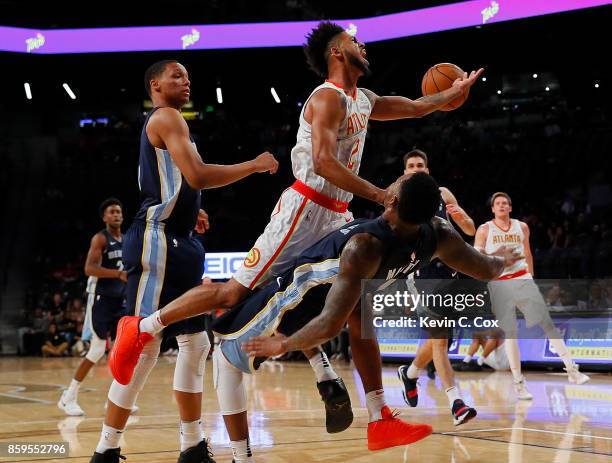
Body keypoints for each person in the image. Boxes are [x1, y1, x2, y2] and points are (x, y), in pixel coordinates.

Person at [112, 22, 484, 438]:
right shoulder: (327, 98)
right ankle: (144, 326)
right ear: (337, 53)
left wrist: (451, 95)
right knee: (233, 293)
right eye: (353, 41)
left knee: (358, 309)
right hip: (303, 210)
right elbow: (324, 162)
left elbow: (416, 106)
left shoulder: (365, 98)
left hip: (337, 213)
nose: (363, 45)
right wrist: (381, 196)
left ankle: (380, 418)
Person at [217, 172, 520, 460]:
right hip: (341, 292)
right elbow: (487, 269)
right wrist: (502, 260)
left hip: (293, 298)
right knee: (363, 316)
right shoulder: (438, 235)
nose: (392, 182)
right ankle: (377, 416)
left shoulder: (365, 246)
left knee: (225, 360)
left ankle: (240, 458)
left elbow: (328, 323)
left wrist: (283, 346)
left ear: (392, 201)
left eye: (397, 183)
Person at [89, 60, 278, 463]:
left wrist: (193, 210)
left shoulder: (175, 122)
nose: (186, 80)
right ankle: (106, 448)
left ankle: (191, 445)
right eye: (177, 75)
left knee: (196, 343)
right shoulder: (167, 116)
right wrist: (253, 165)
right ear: (155, 85)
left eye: (188, 75)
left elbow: (179, 182)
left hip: (182, 238)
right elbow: (197, 175)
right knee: (145, 346)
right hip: (158, 238)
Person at [474, 192, 590, 400]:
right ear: (492, 209)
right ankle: (519, 383)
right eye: (497, 203)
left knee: (547, 324)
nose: (501, 206)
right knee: (510, 333)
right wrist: (497, 254)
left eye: (505, 203)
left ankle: (572, 370)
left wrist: (531, 277)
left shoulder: (522, 227)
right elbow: (476, 256)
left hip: (522, 278)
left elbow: (527, 253)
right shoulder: (484, 229)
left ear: (510, 207)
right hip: (499, 283)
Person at [396, 149, 478, 425]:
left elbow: (469, 229)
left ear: (427, 170)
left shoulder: (443, 193)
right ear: (405, 171)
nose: (417, 168)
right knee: (441, 340)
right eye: (411, 165)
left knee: (439, 338)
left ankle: (410, 373)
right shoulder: (396, 197)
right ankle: (456, 403)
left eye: (421, 164)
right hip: (421, 275)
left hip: (449, 272)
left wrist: (460, 217)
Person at [58, 198, 128, 416]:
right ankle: (68, 397)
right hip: (100, 299)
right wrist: (117, 274)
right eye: (112, 212)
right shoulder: (100, 239)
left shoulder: (126, 240)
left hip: (120, 300)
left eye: (118, 211)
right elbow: (89, 268)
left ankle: (115, 400)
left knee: (123, 350)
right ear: (104, 217)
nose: (116, 215)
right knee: (97, 350)